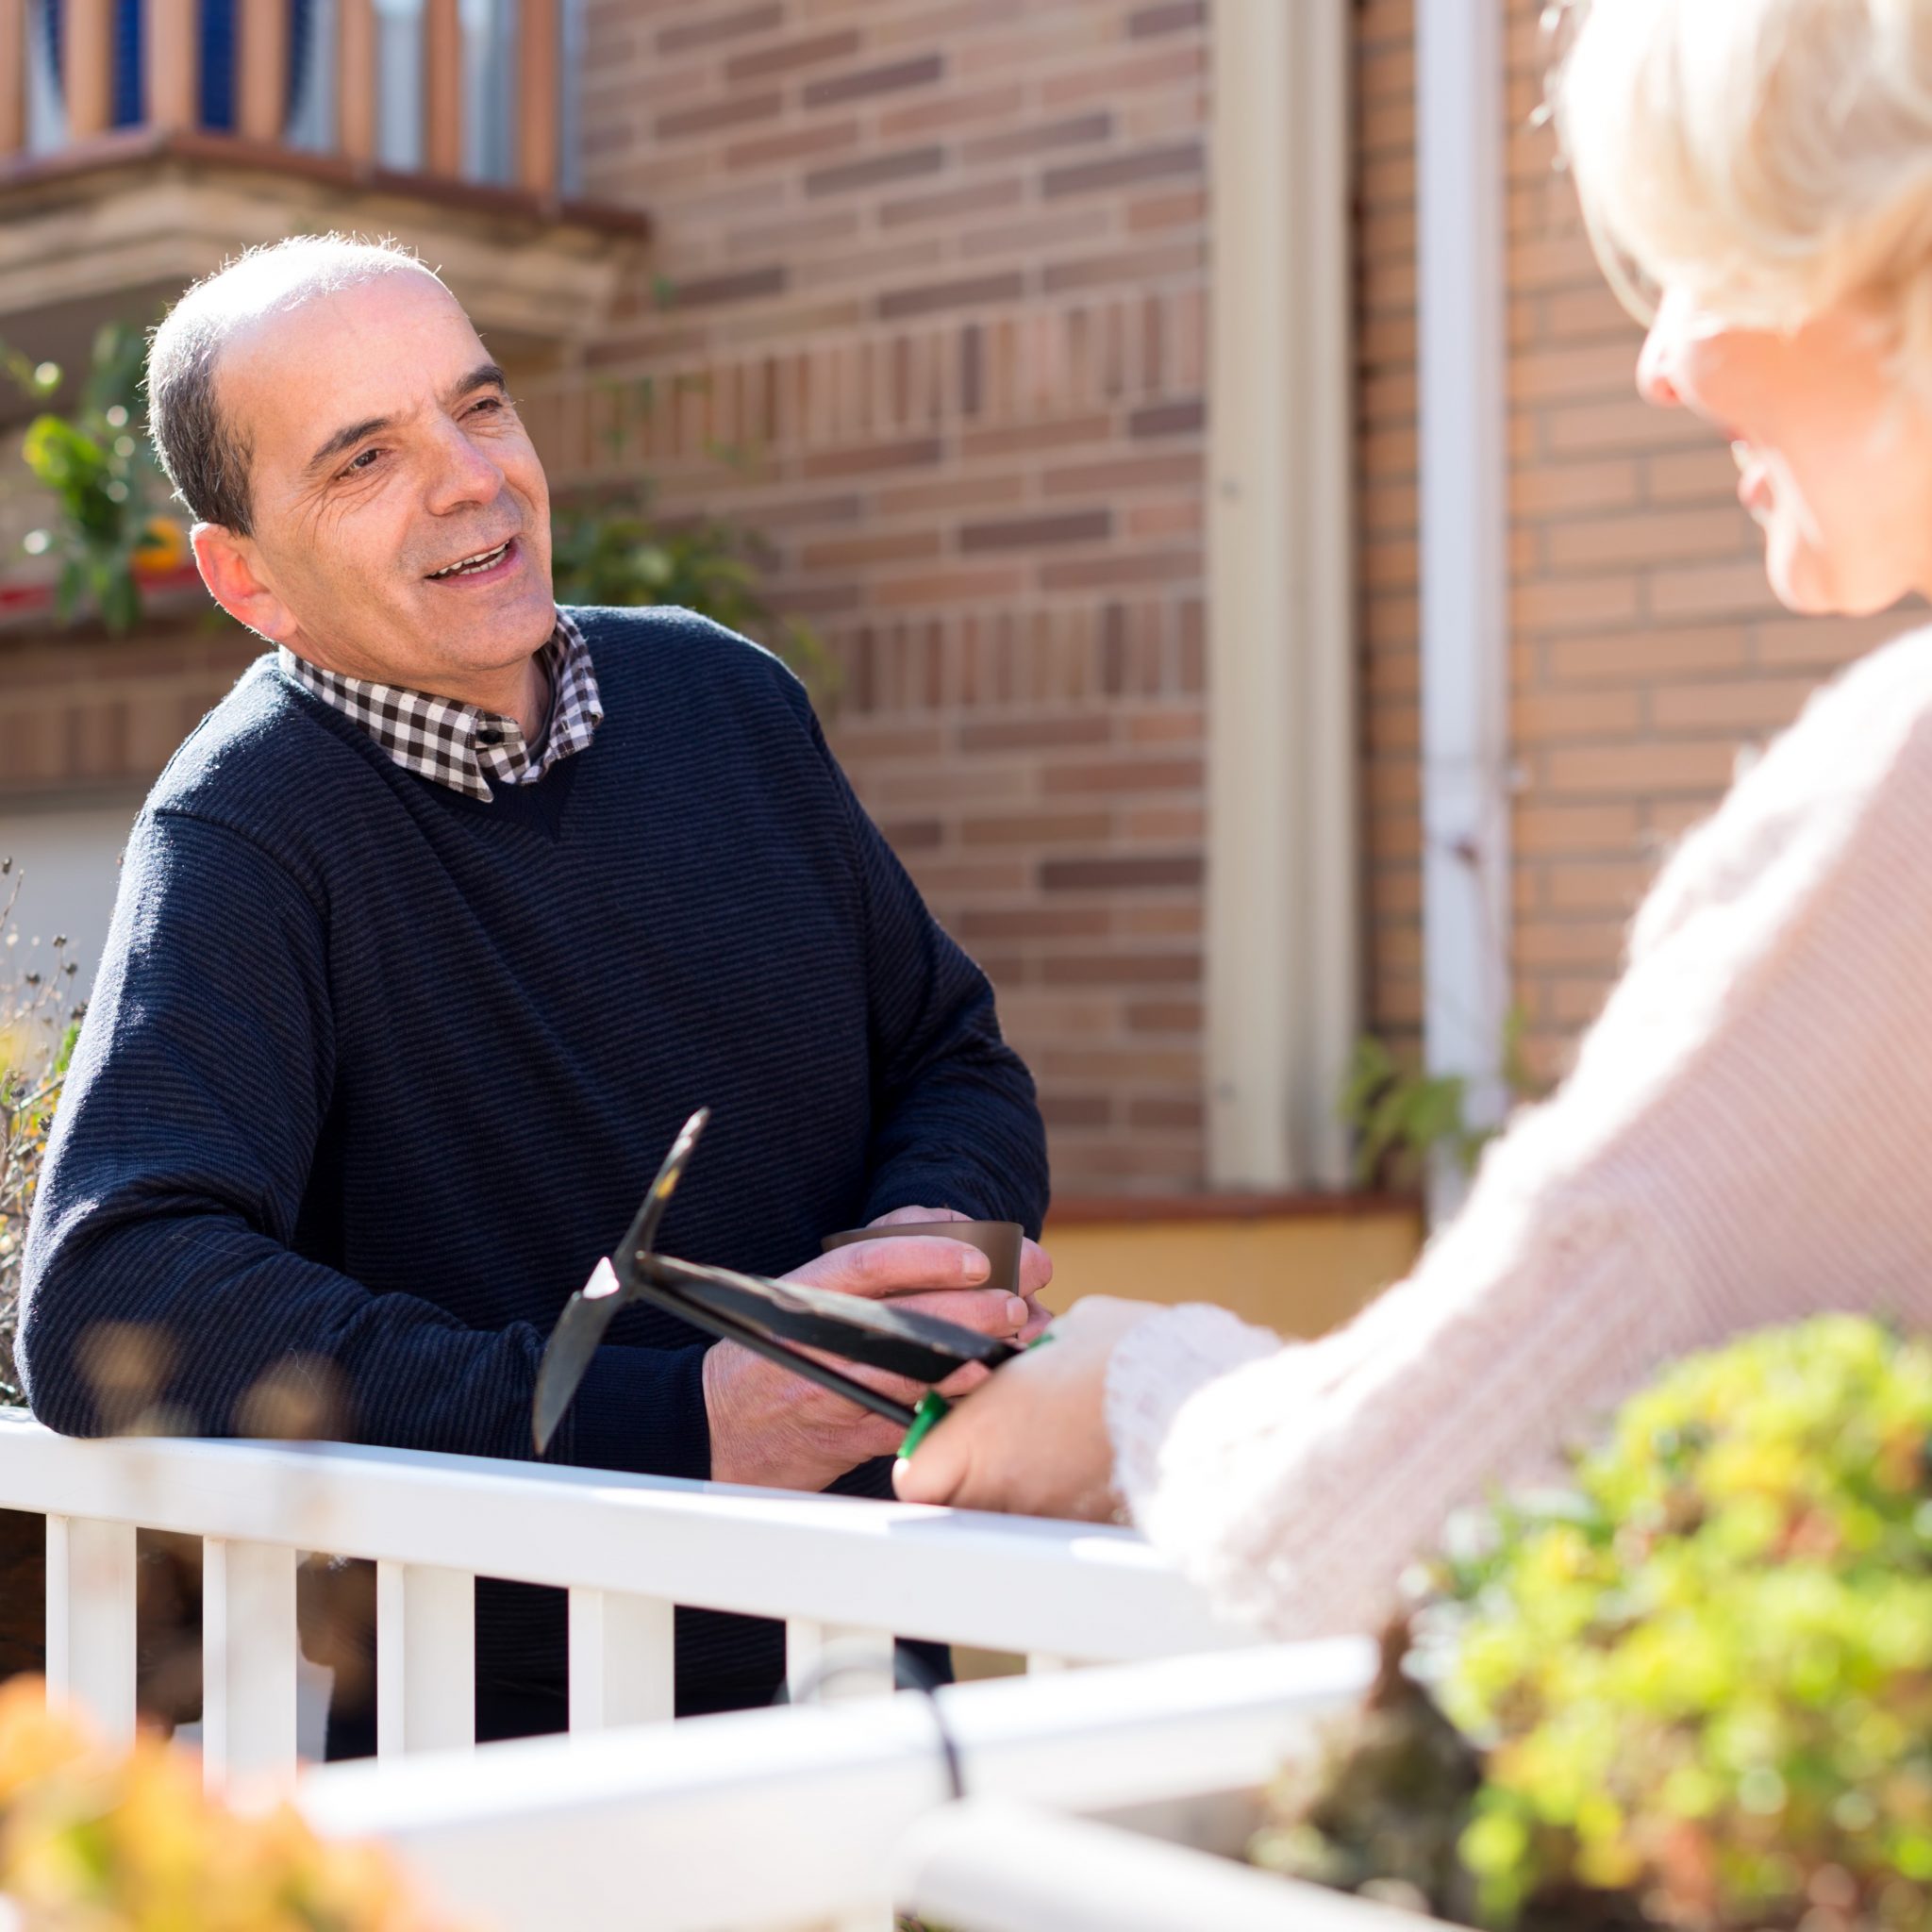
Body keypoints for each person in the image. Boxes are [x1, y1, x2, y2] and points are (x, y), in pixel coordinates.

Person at [897, 0, 1932, 1640]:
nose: (1663, 360)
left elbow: (1386, 1507)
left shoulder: (1906, 790)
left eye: (1716, 262)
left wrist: (1131, 1390)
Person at [18, 236, 1052, 1745]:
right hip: (498, 1749)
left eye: (478, 409)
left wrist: (926, 1246)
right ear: (245, 577)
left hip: (863, 1668)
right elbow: (115, 1291)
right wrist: (675, 1420)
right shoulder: (248, 824)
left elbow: (951, 1058)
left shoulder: (728, 701)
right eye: (364, 459)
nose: (468, 480)